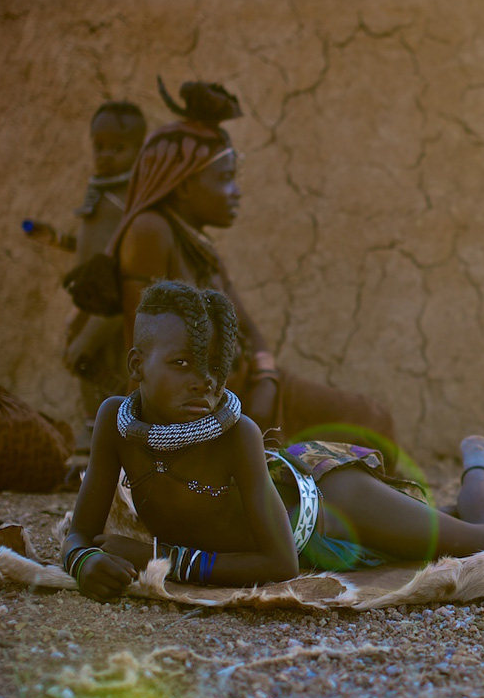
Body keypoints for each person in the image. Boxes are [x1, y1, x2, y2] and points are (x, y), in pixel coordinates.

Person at [63, 282, 484, 600]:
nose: (203, 381)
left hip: (332, 506)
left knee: (479, 542)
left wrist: (161, 558)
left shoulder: (238, 434)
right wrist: (84, 560)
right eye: (181, 363)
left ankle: (482, 458)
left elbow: (279, 562)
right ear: (137, 365)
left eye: (214, 367)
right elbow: (81, 534)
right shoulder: (116, 423)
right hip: (315, 533)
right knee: (425, 524)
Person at [110, 80, 396, 446]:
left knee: (372, 420)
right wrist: (143, 444)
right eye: (226, 179)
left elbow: (245, 323)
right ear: (183, 187)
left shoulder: (199, 242)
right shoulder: (150, 232)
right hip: (209, 403)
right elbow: (143, 353)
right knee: (357, 433)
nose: (236, 192)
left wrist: (267, 378)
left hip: (254, 387)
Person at [61, 102, 148, 427]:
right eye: (99, 146)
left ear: (139, 150)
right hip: (92, 302)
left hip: (116, 309)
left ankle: (117, 433)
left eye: (118, 147)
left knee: (113, 364)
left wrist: (90, 331)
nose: (106, 155)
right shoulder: (98, 194)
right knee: (85, 363)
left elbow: (128, 271)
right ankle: (93, 428)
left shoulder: (131, 200)